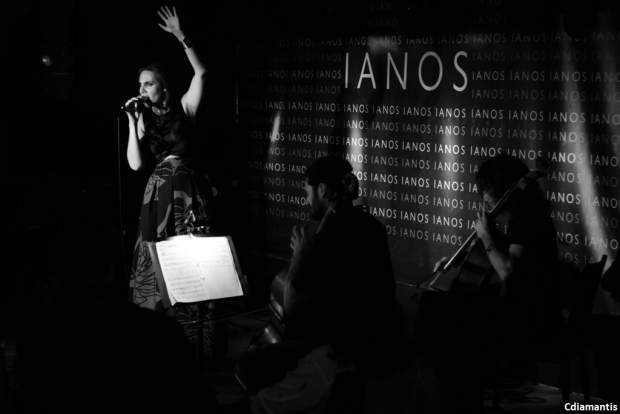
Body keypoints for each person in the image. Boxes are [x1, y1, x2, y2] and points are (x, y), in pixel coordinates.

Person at [234, 156, 405, 414]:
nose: (306, 199)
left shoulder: (327, 239)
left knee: (252, 368)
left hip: (337, 350)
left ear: (322, 190)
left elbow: (292, 310)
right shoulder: (372, 228)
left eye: (307, 191)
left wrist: (300, 256)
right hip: (371, 343)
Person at [424, 154, 562, 413]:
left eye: (487, 191)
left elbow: (509, 272)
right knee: (449, 317)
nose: (484, 198)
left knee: (448, 324)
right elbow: (500, 258)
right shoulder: (520, 219)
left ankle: (459, 397)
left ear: (504, 190)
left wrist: (487, 237)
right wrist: (460, 257)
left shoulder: (528, 220)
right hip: (523, 311)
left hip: (533, 319)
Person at [124, 6, 216, 364]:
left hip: (186, 191)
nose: (142, 89)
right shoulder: (143, 118)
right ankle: (157, 339)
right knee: (155, 257)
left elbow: (202, 72)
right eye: (139, 84)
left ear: (162, 85)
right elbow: (135, 164)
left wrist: (181, 36)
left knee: (190, 259)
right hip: (158, 192)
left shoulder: (184, 106)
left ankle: (195, 337)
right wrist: (132, 123)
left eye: (147, 83)